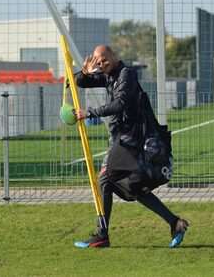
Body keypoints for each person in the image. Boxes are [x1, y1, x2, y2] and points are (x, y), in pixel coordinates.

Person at [73, 45, 188, 248]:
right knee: (131, 188)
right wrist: (84, 72)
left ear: (115, 56)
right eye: (98, 62)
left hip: (133, 140)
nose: (101, 64)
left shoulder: (127, 74)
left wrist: (89, 113)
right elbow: (79, 82)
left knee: (105, 179)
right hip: (122, 139)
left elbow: (121, 103)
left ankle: (102, 235)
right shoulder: (108, 75)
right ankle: (175, 223)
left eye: (104, 60)